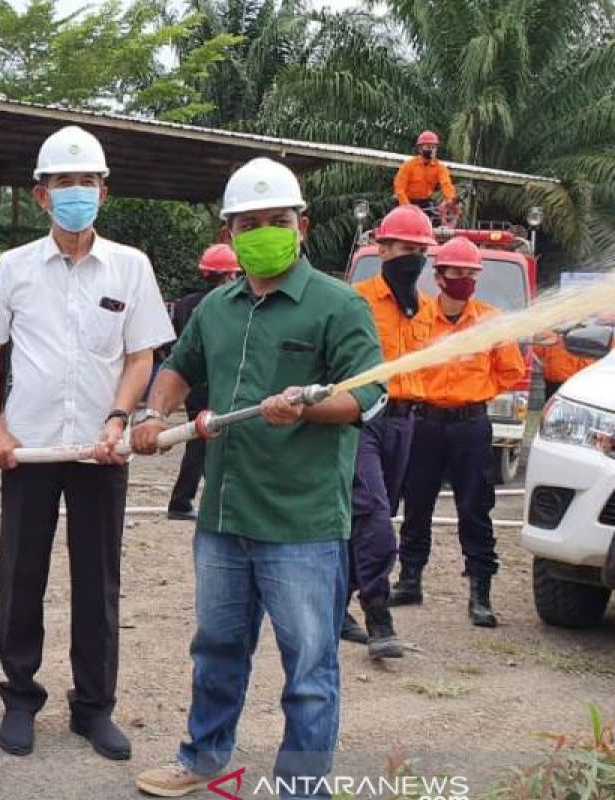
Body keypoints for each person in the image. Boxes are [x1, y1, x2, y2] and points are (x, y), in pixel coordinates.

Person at [130, 158, 385, 798]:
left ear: (303, 225)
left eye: (278, 221)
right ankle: (203, 756)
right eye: (250, 223)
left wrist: (304, 405)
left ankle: (301, 786)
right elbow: (178, 367)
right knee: (216, 648)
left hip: (301, 524)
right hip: (223, 516)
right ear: (231, 231)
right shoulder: (217, 307)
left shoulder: (338, 305)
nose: (265, 232)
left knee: (308, 668)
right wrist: (150, 412)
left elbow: (367, 397)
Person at [0, 125, 175, 761]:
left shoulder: (131, 267)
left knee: (97, 582)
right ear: (41, 196)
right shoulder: (14, 268)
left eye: (87, 181)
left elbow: (141, 355)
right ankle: (21, 698)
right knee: (21, 576)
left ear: (104, 191)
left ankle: (93, 708)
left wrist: (119, 416)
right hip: (28, 449)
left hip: (100, 450)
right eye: (64, 183)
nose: (76, 193)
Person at [394, 236, 525, 627]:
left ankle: (480, 592)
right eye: (458, 273)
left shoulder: (489, 321)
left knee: (475, 507)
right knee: (416, 503)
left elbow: (511, 371)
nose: (465, 279)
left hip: (470, 425)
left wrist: (477, 393)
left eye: (471, 274)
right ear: (439, 276)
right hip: (425, 422)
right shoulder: (418, 318)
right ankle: (410, 579)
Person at [345, 204, 437, 659]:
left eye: (422, 250)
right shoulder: (357, 299)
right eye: (406, 248)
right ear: (382, 248)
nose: (414, 257)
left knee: (365, 519)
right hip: (364, 420)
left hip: (407, 422)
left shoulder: (428, 310)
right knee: (376, 518)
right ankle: (378, 615)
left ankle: (334, 603)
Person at [166, 244, 242, 521]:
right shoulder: (227, 304)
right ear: (227, 275)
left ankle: (205, 495)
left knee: (203, 438)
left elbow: (171, 345)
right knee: (207, 438)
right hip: (214, 381)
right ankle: (183, 500)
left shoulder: (186, 304)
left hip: (190, 382)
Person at [393, 131, 458, 220]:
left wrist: (450, 201)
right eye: (428, 147)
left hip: (425, 203)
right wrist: (407, 207)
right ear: (420, 149)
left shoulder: (440, 167)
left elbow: (446, 184)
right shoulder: (408, 165)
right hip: (406, 201)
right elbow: (399, 188)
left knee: (436, 221)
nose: (431, 150)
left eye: (434, 147)